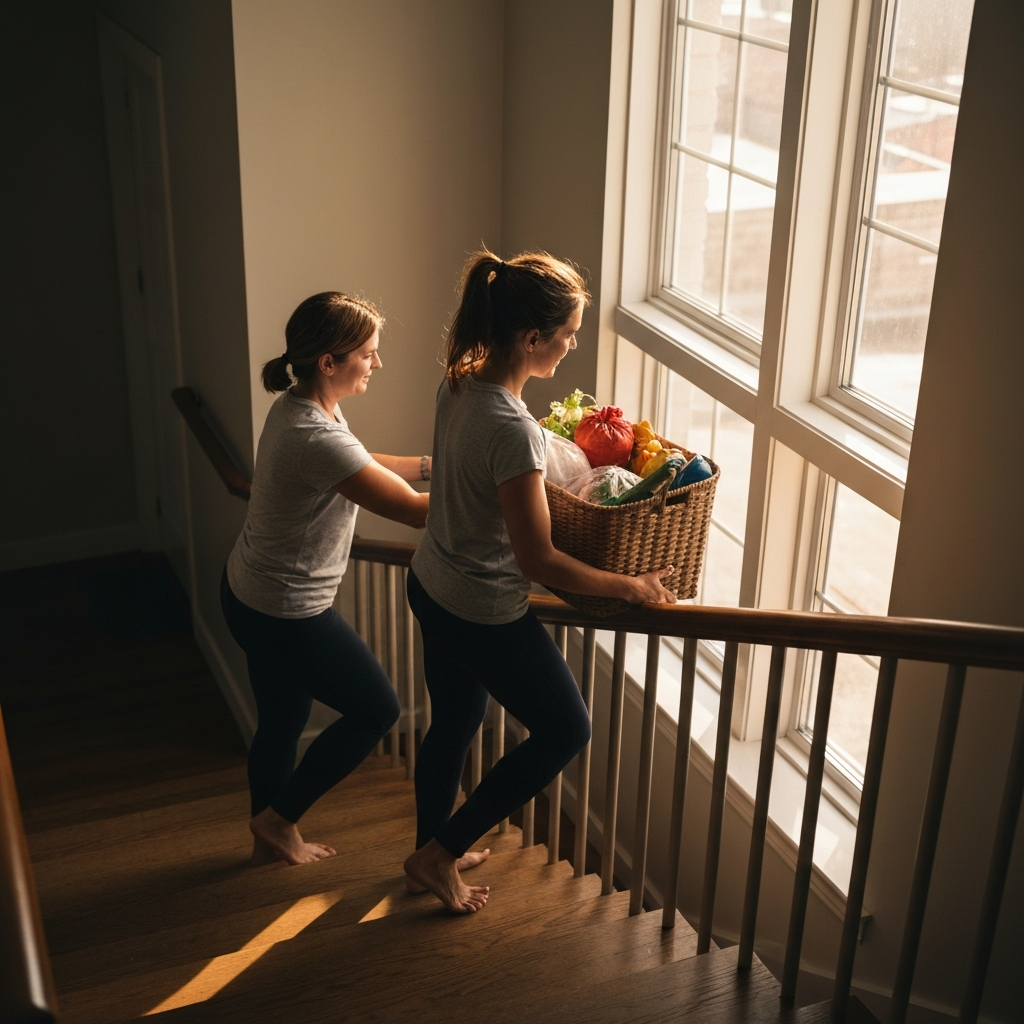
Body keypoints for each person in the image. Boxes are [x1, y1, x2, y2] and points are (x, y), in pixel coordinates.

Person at [403, 251, 676, 912]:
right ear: (532, 339)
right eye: (568, 333)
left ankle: (432, 848)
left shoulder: (459, 380)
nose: (572, 344)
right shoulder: (513, 429)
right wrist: (629, 586)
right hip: (478, 607)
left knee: (454, 722)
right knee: (566, 730)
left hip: (431, 581)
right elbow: (540, 561)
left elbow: (471, 482)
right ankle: (438, 856)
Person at [221, 291, 430, 867]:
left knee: (282, 721)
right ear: (329, 362)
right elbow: (414, 511)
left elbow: (360, 460)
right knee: (377, 711)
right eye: (368, 353)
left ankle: (270, 835)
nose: (378, 363)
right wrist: (513, 494)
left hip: (249, 593)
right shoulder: (314, 434)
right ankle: (279, 819)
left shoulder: (305, 406)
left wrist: (444, 463)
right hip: (283, 613)